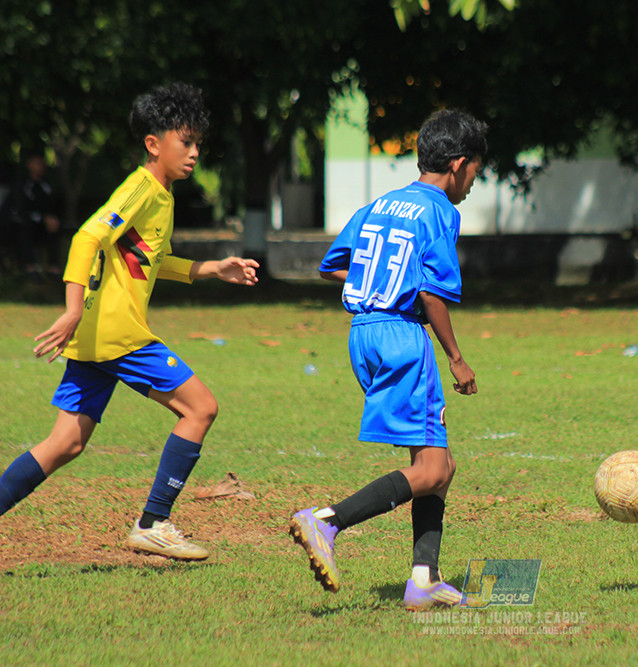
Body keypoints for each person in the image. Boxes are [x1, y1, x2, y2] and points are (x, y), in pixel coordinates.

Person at [0, 83, 259, 560]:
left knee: (64, 443)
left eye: (198, 142)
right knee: (200, 408)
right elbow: (84, 238)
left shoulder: (160, 194)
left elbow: (152, 262)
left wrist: (213, 269)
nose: (195, 152)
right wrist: (72, 308)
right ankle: (153, 522)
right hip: (118, 334)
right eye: (186, 141)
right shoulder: (141, 189)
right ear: (154, 144)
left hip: (97, 337)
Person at [289, 109, 486, 611]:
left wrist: (376, 284)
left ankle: (424, 579)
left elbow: (332, 266)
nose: (472, 183)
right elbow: (433, 292)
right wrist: (457, 359)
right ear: (460, 164)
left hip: (363, 334)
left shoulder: (382, 203)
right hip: (402, 336)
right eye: (476, 172)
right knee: (431, 468)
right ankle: (328, 520)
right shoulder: (441, 210)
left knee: (439, 466)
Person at [2, 151, 61, 277]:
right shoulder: (22, 184)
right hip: (19, 224)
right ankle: (29, 266)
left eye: (42, 163)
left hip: (40, 225)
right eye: (38, 163)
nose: (41, 166)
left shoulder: (45, 185)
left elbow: (49, 206)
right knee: (25, 228)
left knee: (55, 228)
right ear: (29, 165)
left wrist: (50, 218)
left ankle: (53, 267)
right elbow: (19, 209)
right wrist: (41, 218)